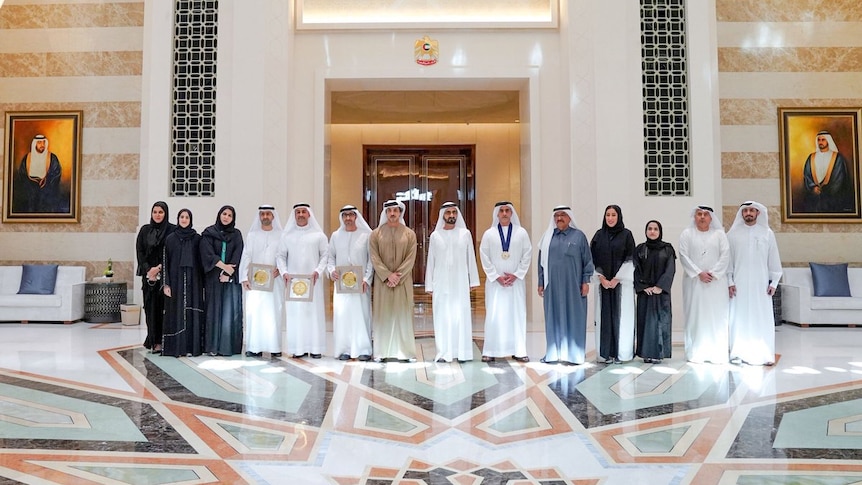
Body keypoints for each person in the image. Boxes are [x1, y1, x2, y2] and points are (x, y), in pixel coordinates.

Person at [537, 205, 594, 365]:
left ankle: (575, 355)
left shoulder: (579, 236)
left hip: (573, 286)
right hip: (552, 287)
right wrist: (541, 282)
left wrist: (585, 281)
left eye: (563, 215)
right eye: (557, 215)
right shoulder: (547, 237)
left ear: (570, 217)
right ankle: (553, 353)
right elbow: (540, 263)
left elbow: (587, 261)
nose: (559, 218)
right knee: (552, 317)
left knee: (575, 317)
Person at [727, 201, 782, 366]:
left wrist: (774, 282)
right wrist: (729, 281)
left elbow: (774, 259)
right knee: (739, 317)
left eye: (752, 210)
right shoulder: (733, 234)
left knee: (761, 317)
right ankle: (738, 353)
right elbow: (729, 262)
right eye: (745, 211)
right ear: (742, 214)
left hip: (761, 285)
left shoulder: (767, 233)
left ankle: (764, 353)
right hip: (739, 283)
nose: (748, 213)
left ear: (758, 213)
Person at [425, 202, 480, 363]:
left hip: (460, 281)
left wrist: (473, 281)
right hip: (441, 282)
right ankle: (444, 352)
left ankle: (462, 352)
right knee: (442, 316)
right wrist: (429, 284)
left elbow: (471, 257)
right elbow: (431, 261)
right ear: (443, 215)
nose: (451, 215)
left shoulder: (465, 234)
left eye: (454, 212)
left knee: (460, 315)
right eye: (448, 212)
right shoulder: (435, 236)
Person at [479, 201, 532, 363]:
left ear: (511, 213)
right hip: (495, 283)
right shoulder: (489, 234)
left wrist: (516, 274)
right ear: (497, 214)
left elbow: (527, 254)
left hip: (515, 283)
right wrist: (496, 276)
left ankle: (519, 350)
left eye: (507, 210)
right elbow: (484, 256)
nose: (504, 213)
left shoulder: (521, 233)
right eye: (501, 211)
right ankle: (491, 350)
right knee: (494, 314)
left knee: (517, 314)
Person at [679, 205, 730, 364]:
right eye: (699, 214)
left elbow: (726, 255)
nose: (702, 217)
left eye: (705, 215)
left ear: (711, 218)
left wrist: (713, 273)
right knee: (695, 316)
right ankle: (696, 353)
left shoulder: (720, 235)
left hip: (716, 284)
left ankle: (716, 353)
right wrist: (699, 273)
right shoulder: (687, 234)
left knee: (716, 317)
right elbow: (683, 256)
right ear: (694, 217)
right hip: (694, 283)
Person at [276, 203, 328, 359]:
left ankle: (315, 347)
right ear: (294, 215)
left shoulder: (319, 236)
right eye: (297, 212)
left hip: (313, 282)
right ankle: (298, 348)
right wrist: (284, 272)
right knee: (296, 314)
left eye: (303, 212)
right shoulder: (287, 236)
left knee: (314, 314)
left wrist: (318, 271)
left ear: (309, 214)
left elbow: (325, 255)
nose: (300, 214)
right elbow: (280, 256)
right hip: (293, 283)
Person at [368, 200, 418, 363]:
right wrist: (387, 275)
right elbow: (374, 257)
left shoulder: (409, 234)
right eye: (389, 210)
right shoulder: (376, 234)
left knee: (403, 314)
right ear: (385, 213)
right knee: (383, 315)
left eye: (395, 210)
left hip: (403, 282)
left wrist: (397, 276)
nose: (392, 213)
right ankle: (382, 351)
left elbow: (411, 258)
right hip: (383, 282)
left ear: (400, 213)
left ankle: (406, 352)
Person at [327, 205, 374, 361]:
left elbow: (371, 261)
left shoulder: (366, 235)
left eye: (351, 215)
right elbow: (330, 257)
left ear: (356, 217)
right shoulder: (335, 236)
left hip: (360, 285)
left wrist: (367, 279)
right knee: (343, 315)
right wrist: (331, 270)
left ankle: (363, 349)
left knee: (361, 315)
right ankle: (344, 349)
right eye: (345, 215)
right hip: (341, 285)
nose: (348, 218)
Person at [590, 205, 636, 364]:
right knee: (604, 318)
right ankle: (605, 354)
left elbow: (630, 258)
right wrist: (602, 278)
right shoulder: (598, 236)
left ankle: (621, 354)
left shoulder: (627, 235)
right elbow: (592, 259)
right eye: (607, 215)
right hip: (603, 285)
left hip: (621, 284)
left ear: (619, 217)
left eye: (613, 215)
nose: (610, 218)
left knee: (621, 317)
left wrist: (617, 279)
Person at [239, 205, 285, 358]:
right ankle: (254, 347)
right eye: (263, 214)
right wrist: (244, 277)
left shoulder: (281, 235)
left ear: (273, 216)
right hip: (255, 281)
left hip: (275, 280)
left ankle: (274, 346)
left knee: (273, 313)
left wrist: (281, 268)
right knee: (255, 313)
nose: (265, 216)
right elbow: (246, 256)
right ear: (260, 216)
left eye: (268, 214)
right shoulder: (252, 235)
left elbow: (285, 255)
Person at [200, 205, 244, 356]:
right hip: (213, 278)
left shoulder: (237, 234)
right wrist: (225, 266)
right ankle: (212, 347)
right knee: (213, 312)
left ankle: (227, 347)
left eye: (229, 215)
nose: (226, 217)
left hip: (229, 280)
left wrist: (229, 274)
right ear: (219, 215)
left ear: (233, 219)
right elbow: (207, 254)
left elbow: (239, 254)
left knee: (229, 312)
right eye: (224, 214)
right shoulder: (209, 233)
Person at [161, 208, 205, 357]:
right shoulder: (170, 239)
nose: (184, 219)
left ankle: (192, 348)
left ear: (190, 219)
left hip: (194, 281)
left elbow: (202, 261)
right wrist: (166, 284)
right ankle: (176, 348)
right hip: (175, 280)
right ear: (178, 219)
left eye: (187, 217)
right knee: (176, 312)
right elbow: (165, 261)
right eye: (181, 217)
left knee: (192, 311)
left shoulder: (197, 239)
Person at [135, 201, 176, 354]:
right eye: (155, 212)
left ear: (166, 213)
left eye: (161, 212)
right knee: (151, 308)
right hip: (149, 277)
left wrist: (158, 268)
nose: (158, 215)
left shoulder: (172, 230)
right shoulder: (145, 230)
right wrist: (148, 270)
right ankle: (154, 340)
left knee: (165, 308)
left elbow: (173, 253)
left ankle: (166, 340)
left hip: (166, 275)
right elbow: (140, 252)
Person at [634, 220, 676, 364]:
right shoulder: (640, 249)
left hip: (660, 293)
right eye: (650, 229)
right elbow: (635, 270)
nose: (652, 231)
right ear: (646, 231)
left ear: (660, 231)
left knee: (660, 322)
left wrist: (660, 286)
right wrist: (642, 287)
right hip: (645, 293)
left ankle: (658, 354)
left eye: (655, 229)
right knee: (645, 323)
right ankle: (645, 353)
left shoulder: (667, 249)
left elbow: (670, 270)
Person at [801, 130, 854, 213]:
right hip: (814, 197)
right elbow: (807, 175)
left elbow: (839, 178)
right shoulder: (811, 157)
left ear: (828, 141)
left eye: (823, 140)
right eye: (819, 140)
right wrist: (813, 187)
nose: (820, 142)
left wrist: (827, 191)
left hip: (832, 198)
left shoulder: (837, 157)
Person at [12, 134, 65, 213]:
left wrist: (46, 181)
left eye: (43, 142)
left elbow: (56, 173)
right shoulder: (27, 158)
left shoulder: (52, 158)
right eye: (39, 142)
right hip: (30, 191)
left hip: (46, 190)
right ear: (35, 144)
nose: (42, 145)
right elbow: (22, 175)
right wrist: (31, 184)